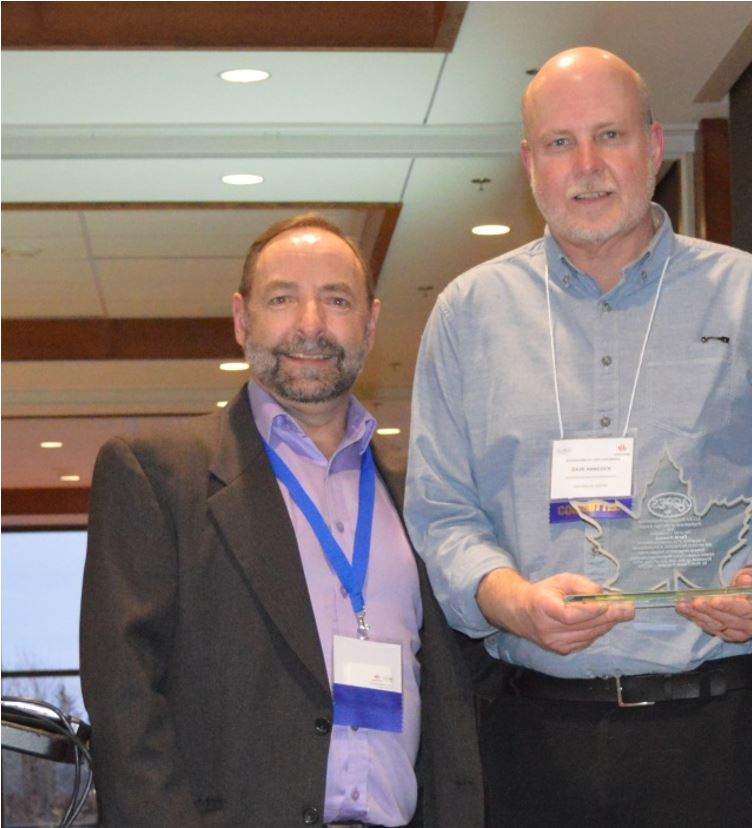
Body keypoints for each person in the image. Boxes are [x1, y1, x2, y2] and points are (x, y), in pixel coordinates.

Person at [404, 47, 752, 826]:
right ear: (530, 163)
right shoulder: (469, 316)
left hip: (722, 739)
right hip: (533, 747)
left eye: (611, 136)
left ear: (655, 145)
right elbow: (442, 514)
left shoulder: (751, 295)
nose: (588, 166)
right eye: (561, 143)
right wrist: (513, 601)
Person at [80, 214, 484, 827]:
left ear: (371, 323)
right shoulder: (156, 477)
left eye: (337, 300)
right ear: (242, 319)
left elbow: (455, 698)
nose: (311, 324)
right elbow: (125, 704)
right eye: (282, 298)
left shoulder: (422, 489)